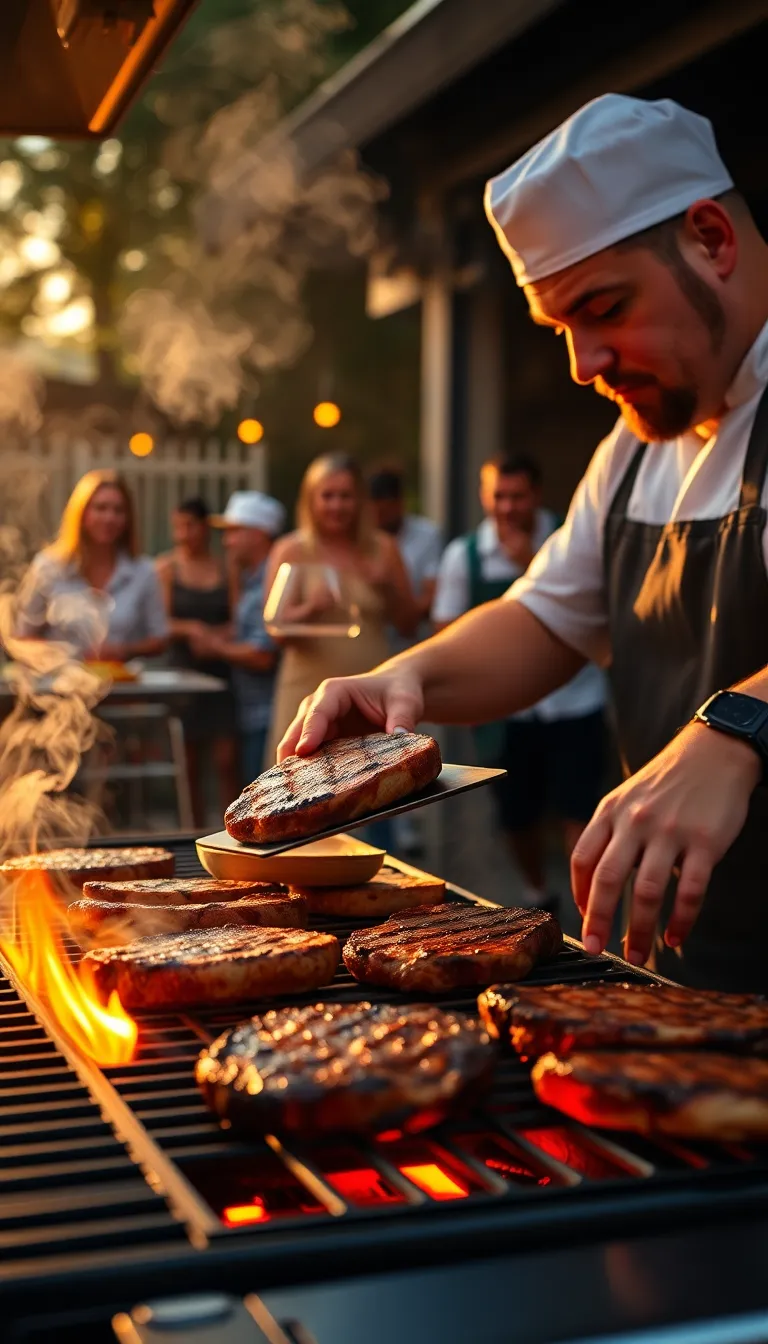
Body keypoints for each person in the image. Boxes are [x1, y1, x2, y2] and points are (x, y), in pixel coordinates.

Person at [277, 94, 768, 994]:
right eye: (561, 330)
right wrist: (409, 678)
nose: (582, 364)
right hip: (680, 968)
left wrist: (739, 726)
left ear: (711, 237)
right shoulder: (631, 452)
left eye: (605, 307)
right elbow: (547, 618)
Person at [433, 455, 605, 909]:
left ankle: (588, 906)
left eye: (518, 496)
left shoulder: (571, 543)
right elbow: (446, 631)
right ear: (484, 496)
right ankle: (536, 890)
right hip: (506, 712)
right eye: (499, 497)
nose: (507, 507)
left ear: (537, 495)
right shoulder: (463, 556)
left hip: (576, 703)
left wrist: (534, 566)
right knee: (516, 815)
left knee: (580, 809)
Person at [263, 452, 419, 766]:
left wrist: (386, 586)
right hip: (305, 697)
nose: (337, 505)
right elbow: (274, 631)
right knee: (302, 796)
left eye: (346, 496)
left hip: (370, 697)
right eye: (328, 496)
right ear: (311, 500)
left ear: (360, 500)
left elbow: (409, 625)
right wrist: (310, 608)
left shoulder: (384, 548)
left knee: (377, 791)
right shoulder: (291, 549)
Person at [184, 491, 285, 785]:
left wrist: (215, 647)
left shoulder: (271, 579)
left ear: (259, 533)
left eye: (234, 532)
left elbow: (263, 654)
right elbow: (248, 631)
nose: (226, 541)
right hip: (252, 711)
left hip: (265, 714)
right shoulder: (252, 577)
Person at [16, 469, 168, 661]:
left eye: (118, 510)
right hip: (59, 685)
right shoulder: (49, 567)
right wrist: (64, 654)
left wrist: (125, 651)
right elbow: (23, 636)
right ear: (81, 513)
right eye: (101, 508)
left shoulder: (143, 571)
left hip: (123, 685)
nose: (109, 518)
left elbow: (159, 638)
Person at [156, 497, 238, 825]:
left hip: (220, 672)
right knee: (187, 759)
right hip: (183, 674)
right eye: (177, 526)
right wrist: (192, 629)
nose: (182, 534)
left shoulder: (226, 567)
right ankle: (193, 829)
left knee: (225, 759)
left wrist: (217, 640)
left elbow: (238, 618)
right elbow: (160, 622)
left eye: (189, 526)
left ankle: (235, 826)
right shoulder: (166, 568)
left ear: (205, 527)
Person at [367, 465, 443, 654]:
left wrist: (402, 612)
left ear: (400, 503)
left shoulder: (427, 535)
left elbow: (432, 592)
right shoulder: (358, 539)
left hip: (411, 644)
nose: (379, 519)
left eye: (385, 511)